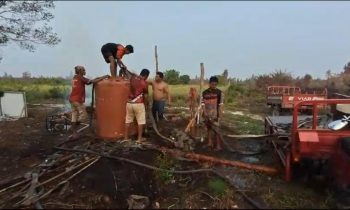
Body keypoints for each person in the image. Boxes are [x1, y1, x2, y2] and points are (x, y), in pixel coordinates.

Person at [68, 65, 109, 140]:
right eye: (83, 70)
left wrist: (99, 78)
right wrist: (104, 77)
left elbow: (91, 80)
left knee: (74, 115)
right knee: (83, 116)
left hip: (72, 99)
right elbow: (91, 82)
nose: (85, 71)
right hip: (77, 100)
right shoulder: (80, 77)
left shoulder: (75, 77)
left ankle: (74, 132)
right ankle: (74, 129)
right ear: (80, 71)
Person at [124, 68, 150, 143]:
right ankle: (139, 139)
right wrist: (147, 104)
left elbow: (128, 72)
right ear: (146, 76)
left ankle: (125, 138)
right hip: (138, 104)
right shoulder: (144, 83)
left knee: (128, 120)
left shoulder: (132, 78)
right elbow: (145, 95)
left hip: (129, 103)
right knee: (140, 122)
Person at [201, 76, 224, 151]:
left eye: (215, 84)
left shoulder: (219, 93)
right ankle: (209, 143)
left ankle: (218, 146)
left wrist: (220, 116)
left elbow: (221, 105)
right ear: (209, 83)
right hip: (207, 115)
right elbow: (203, 104)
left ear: (217, 84)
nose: (213, 86)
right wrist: (205, 113)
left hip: (215, 115)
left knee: (217, 131)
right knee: (209, 129)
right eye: (212, 84)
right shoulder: (204, 93)